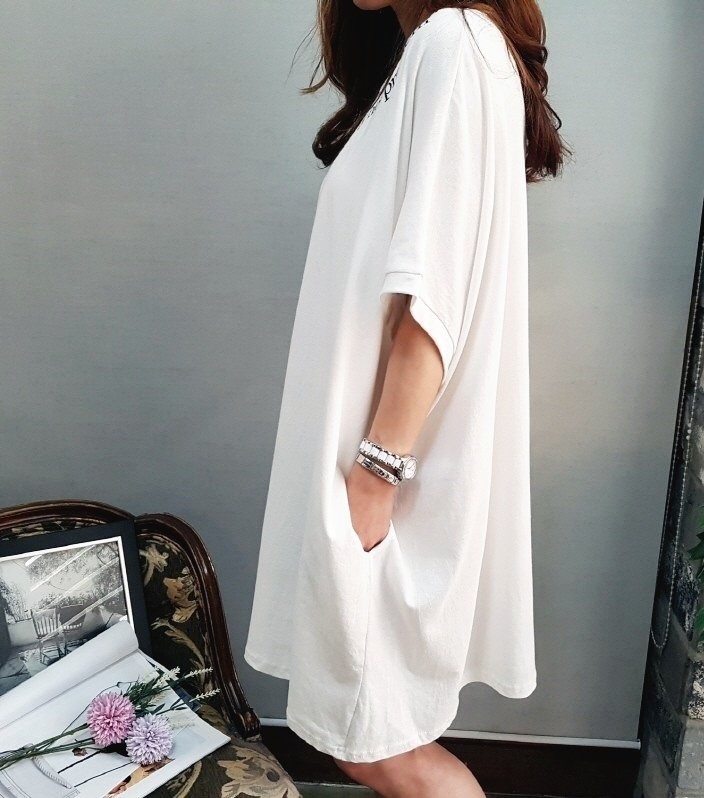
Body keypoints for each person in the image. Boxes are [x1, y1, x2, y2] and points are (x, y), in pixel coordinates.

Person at [244, 1, 569, 795]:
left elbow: (434, 297)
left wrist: (374, 476)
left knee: (374, 738)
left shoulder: (456, 42)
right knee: (369, 733)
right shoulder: (431, 50)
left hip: (386, 466)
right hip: (375, 457)